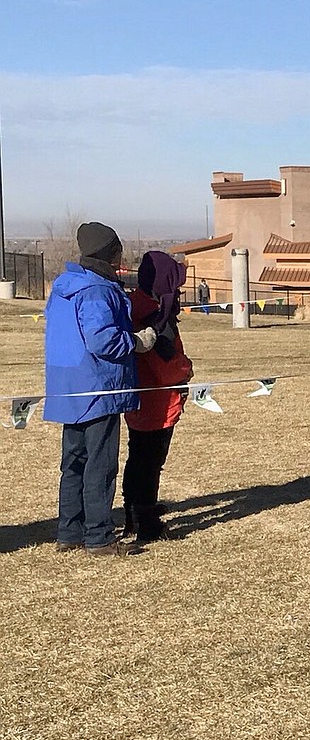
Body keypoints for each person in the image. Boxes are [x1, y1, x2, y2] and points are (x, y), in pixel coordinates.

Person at [43, 222, 157, 556]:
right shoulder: (97, 290)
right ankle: (98, 536)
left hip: (68, 386)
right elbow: (102, 339)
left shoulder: (65, 286)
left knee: (74, 462)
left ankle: (69, 531)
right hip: (97, 387)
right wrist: (137, 341)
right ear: (111, 253)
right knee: (100, 464)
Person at [122, 251, 194, 542]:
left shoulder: (132, 307)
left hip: (138, 400)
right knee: (150, 461)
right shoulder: (156, 317)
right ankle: (147, 520)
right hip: (158, 402)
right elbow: (167, 368)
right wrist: (186, 369)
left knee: (138, 456)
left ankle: (132, 508)